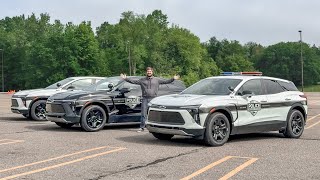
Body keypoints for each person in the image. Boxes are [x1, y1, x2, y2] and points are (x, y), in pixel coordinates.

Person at [120, 67, 180, 132]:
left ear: (152, 72)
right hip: (145, 99)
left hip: (154, 99)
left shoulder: (157, 80)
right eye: (148, 71)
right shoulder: (142, 80)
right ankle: (142, 127)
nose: (149, 72)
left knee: (154, 114)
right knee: (143, 114)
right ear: (146, 72)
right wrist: (125, 78)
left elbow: (166, 81)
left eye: (150, 71)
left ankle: (155, 128)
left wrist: (173, 79)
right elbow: (133, 81)